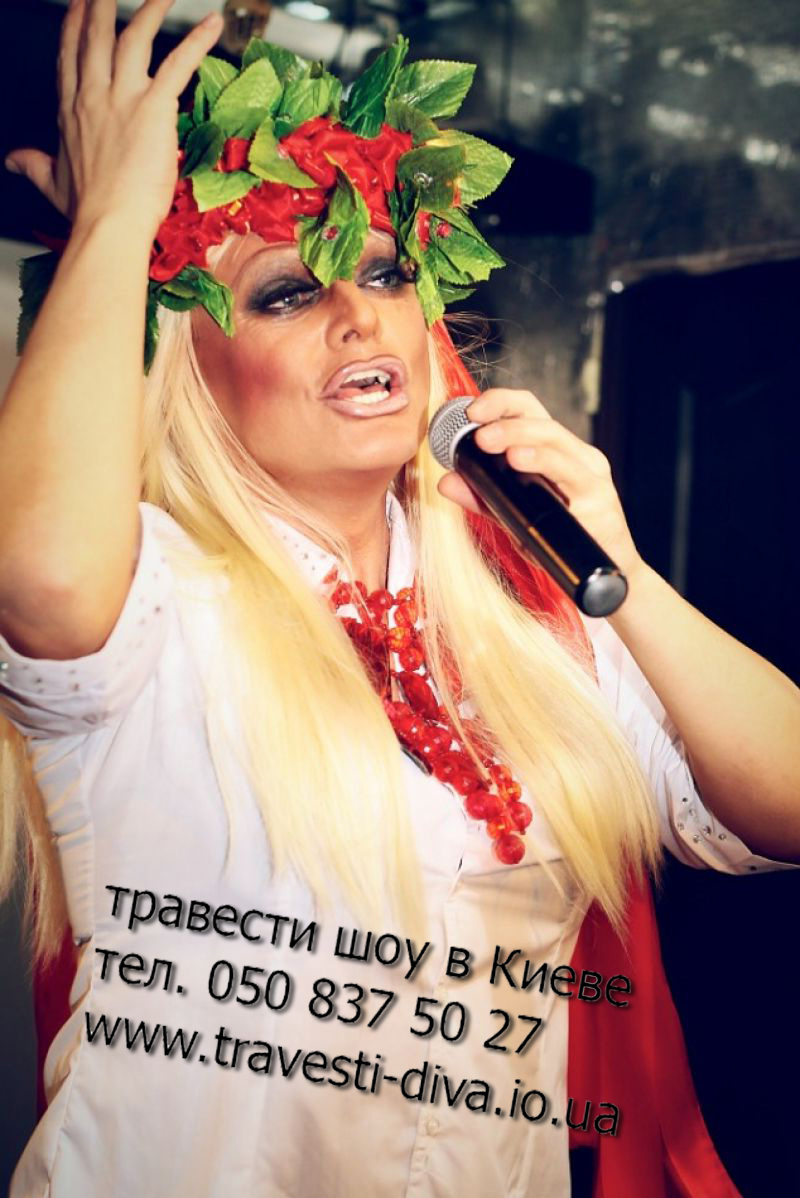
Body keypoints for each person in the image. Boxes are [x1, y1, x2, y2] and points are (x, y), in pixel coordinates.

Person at [1, 2, 798, 1195]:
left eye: (382, 271)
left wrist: (622, 576)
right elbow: (41, 577)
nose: (358, 311)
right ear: (193, 372)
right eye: (286, 292)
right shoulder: (152, 602)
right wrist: (121, 216)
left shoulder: (533, 628)